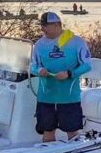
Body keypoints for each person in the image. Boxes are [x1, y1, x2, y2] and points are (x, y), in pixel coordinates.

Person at [31, 11, 92, 142]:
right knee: (47, 131)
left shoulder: (76, 42)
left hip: (69, 98)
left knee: (72, 131)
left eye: (46, 25)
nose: (43, 29)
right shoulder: (39, 44)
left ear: (58, 24)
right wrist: (39, 70)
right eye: (42, 26)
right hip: (46, 97)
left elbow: (87, 65)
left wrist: (69, 74)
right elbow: (32, 66)